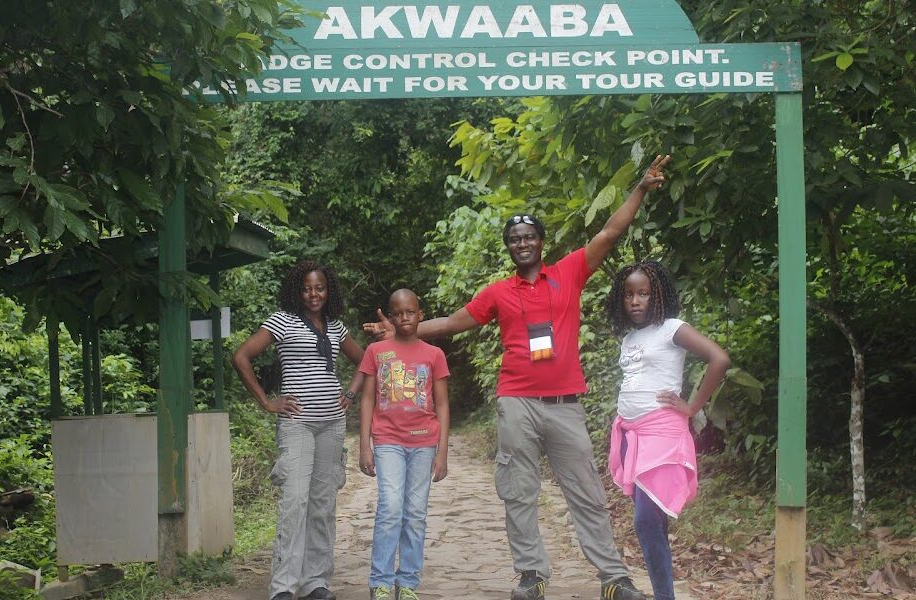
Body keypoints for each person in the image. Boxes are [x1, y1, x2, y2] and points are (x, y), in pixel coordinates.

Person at [367, 155, 672, 600]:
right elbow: (453, 322)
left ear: (541, 242)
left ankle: (614, 579)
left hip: (564, 405)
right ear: (509, 247)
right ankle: (531, 575)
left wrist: (641, 188)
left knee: (586, 490)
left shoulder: (568, 273)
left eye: (529, 237)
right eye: (515, 239)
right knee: (519, 493)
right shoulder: (498, 292)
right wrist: (402, 330)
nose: (522, 244)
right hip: (517, 403)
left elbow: (610, 232)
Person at [232, 260, 365, 600]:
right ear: (297, 290)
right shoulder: (282, 321)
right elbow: (241, 356)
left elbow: (366, 362)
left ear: (328, 289)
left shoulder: (336, 327)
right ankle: (284, 587)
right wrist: (267, 401)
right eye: (307, 288)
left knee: (322, 505)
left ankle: (316, 582)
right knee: (295, 502)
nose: (313, 294)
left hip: (332, 425)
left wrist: (349, 392)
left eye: (319, 287)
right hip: (298, 425)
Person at [604, 260, 730, 600]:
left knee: (646, 520)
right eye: (628, 294)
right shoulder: (629, 338)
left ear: (657, 294)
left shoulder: (672, 328)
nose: (635, 301)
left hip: (662, 434)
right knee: (652, 520)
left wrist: (692, 407)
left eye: (643, 293)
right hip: (632, 436)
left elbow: (719, 358)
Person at [357, 289, 450, 600]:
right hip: (387, 441)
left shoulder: (434, 355)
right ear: (391, 317)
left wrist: (443, 452)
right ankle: (381, 582)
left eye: (410, 312)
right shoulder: (377, 351)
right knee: (390, 508)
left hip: (424, 443)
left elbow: (442, 404)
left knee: (415, 512)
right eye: (397, 313)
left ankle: (408, 582)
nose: (404, 317)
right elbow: (368, 397)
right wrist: (364, 445)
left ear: (420, 314)